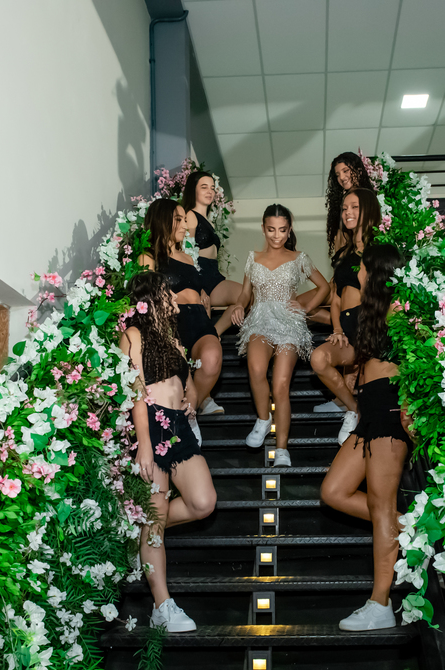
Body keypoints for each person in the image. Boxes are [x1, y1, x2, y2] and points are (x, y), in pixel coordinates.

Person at [119, 272, 218, 633]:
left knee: (203, 502)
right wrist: (145, 444)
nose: (175, 301)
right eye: (168, 295)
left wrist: (191, 400)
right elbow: (135, 391)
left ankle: (142, 529)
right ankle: (163, 606)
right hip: (150, 425)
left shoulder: (173, 338)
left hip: (178, 427)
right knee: (155, 519)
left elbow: (189, 386)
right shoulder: (133, 334)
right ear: (150, 298)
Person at [319, 244, 411, 631]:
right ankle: (414, 527)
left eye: (361, 268)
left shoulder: (403, 311)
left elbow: (417, 362)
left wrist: (408, 408)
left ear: (376, 273)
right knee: (333, 491)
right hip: (369, 411)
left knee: (381, 506)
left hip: (389, 410)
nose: (356, 273)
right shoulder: (374, 313)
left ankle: (380, 603)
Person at [230, 204, 330, 467]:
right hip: (260, 321)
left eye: (282, 230)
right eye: (271, 229)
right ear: (263, 229)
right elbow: (245, 293)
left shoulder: (300, 258)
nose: (277, 235)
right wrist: (239, 304)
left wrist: (306, 308)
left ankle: (282, 448)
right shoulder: (253, 258)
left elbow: (324, 287)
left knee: (281, 385)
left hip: (288, 324)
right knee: (256, 368)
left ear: (289, 229)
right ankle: (264, 419)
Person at [138, 198, 223, 431]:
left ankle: (189, 415)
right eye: (179, 220)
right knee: (179, 376)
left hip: (199, 318)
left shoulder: (187, 256)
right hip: (172, 321)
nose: (185, 226)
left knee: (212, 359)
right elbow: (147, 297)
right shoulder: (148, 257)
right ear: (163, 220)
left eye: (185, 220)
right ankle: (184, 420)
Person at [310, 187, 380, 441]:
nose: (347, 212)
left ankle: (356, 411)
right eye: (344, 208)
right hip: (346, 327)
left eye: (355, 207)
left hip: (369, 326)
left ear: (369, 210)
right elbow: (336, 299)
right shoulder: (343, 254)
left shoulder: (379, 250)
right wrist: (337, 329)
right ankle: (352, 409)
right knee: (318, 358)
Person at [181, 171, 243, 351]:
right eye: (204, 187)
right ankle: (210, 335)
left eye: (212, 188)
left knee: (245, 297)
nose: (210, 191)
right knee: (243, 295)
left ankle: (214, 333)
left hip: (213, 274)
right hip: (199, 275)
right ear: (193, 190)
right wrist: (197, 287)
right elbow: (187, 253)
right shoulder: (190, 216)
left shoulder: (210, 221)